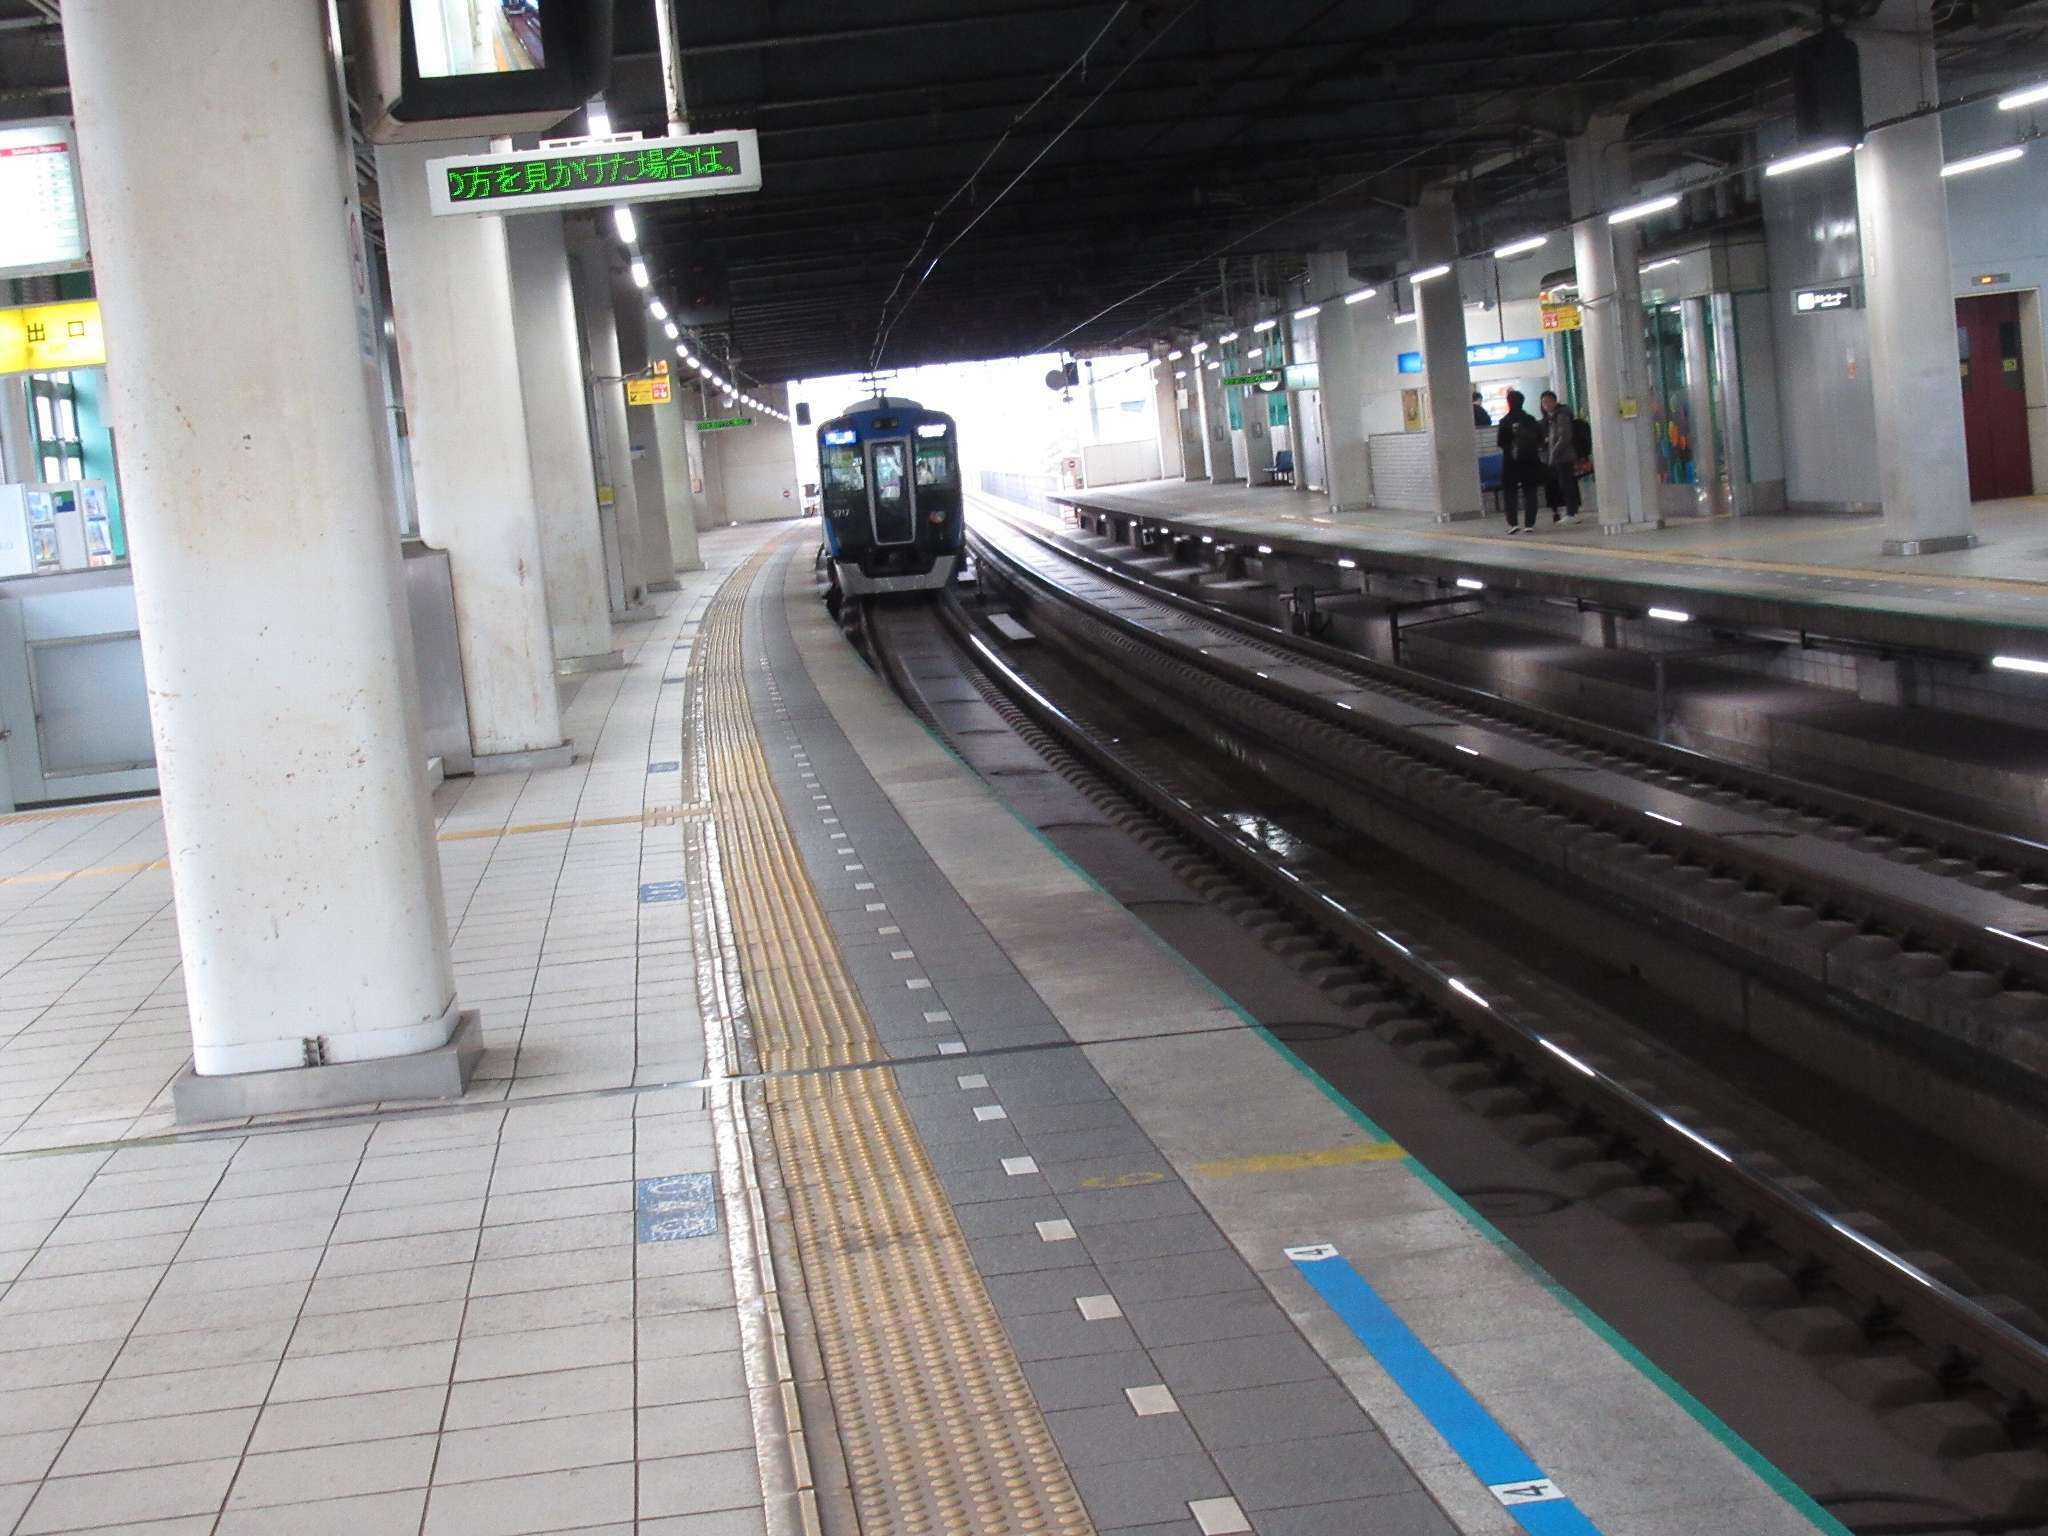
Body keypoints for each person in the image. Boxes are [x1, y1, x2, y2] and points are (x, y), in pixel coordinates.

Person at [1495, 388, 1544, 533]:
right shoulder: (1530, 419)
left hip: (1510, 461)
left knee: (1510, 492)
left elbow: (1501, 442)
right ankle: (1529, 523)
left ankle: (1513, 523)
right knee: (1530, 491)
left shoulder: (1504, 421)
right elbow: (1540, 439)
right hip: (1530, 460)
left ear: (1509, 403)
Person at [1540, 389, 1582, 525]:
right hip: (1561, 456)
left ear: (1554, 401)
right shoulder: (1553, 416)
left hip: (1564, 456)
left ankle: (1572, 513)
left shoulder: (1561, 415)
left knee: (1567, 484)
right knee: (1565, 484)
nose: (1545, 405)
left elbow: (1564, 437)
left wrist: (1554, 452)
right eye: (1543, 403)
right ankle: (1571, 511)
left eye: (1547, 402)